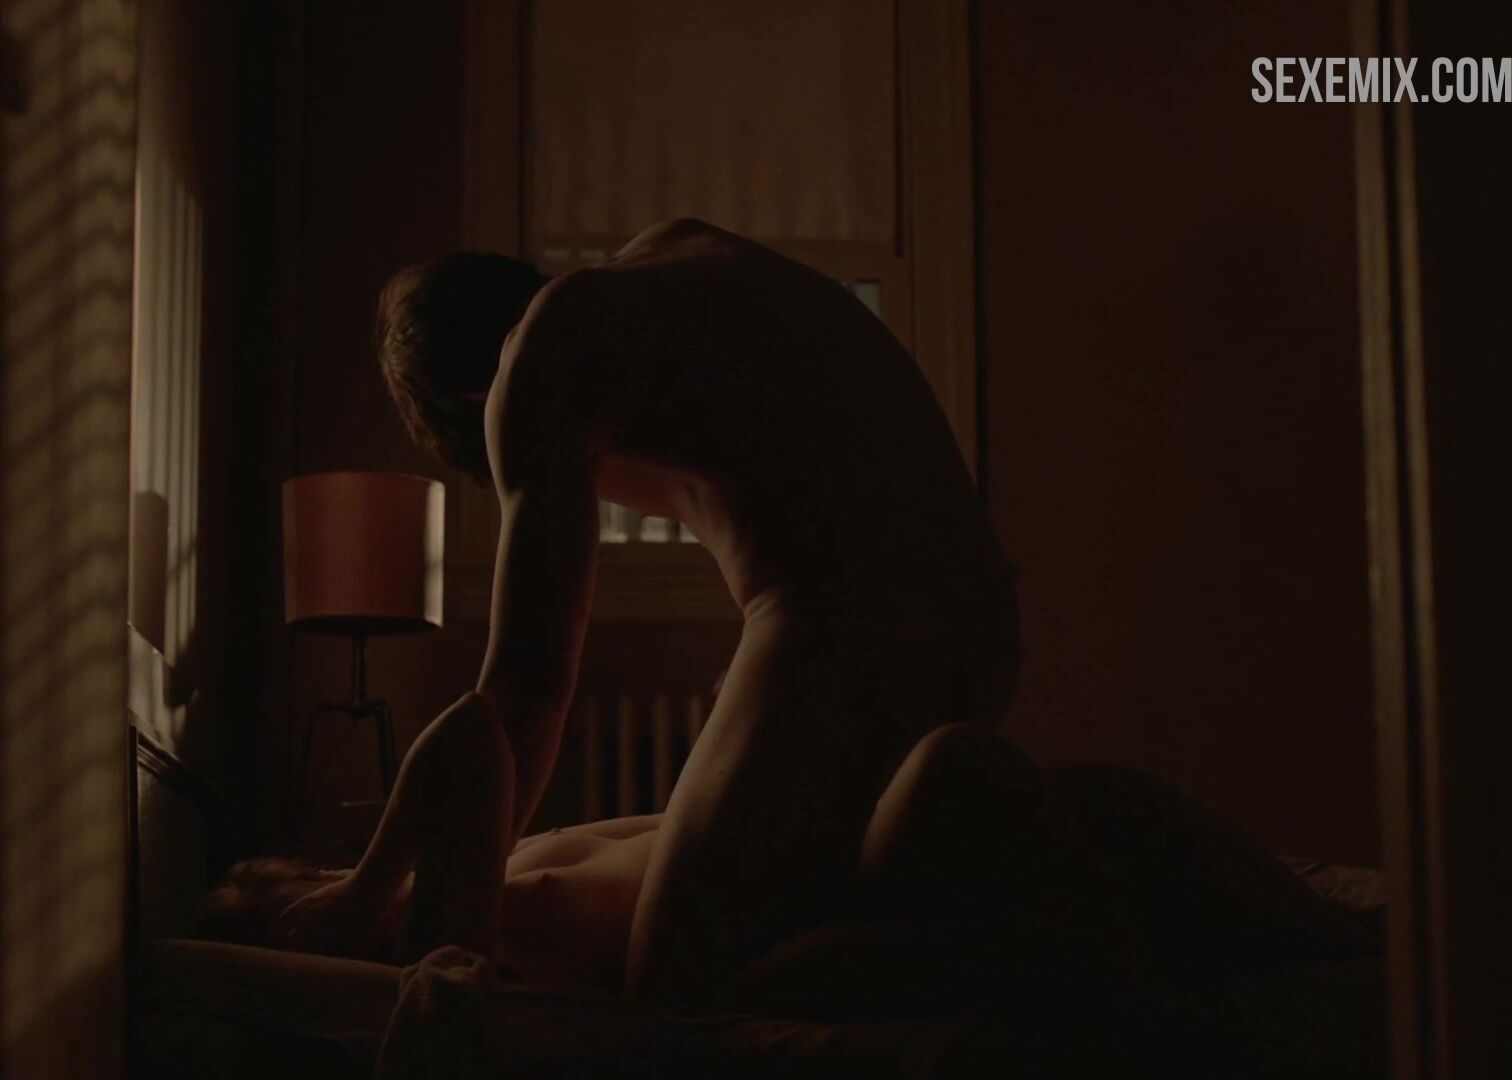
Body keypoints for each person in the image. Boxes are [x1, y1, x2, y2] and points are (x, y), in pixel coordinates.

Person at [281, 217, 1021, 1004]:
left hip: (858, 630)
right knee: (805, 884)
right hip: (986, 623)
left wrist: (424, 886)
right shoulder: (676, 257)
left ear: (476, 396)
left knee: (675, 986)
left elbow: (526, 696)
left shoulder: (541, 361)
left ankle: (1025, 956)